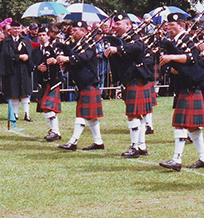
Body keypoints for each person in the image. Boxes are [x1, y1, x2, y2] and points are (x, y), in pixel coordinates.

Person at [158, 12, 204, 171]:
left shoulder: (187, 40)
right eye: (168, 25)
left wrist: (172, 58)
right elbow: (165, 63)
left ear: (182, 25)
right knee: (192, 127)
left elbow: (192, 58)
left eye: (172, 25)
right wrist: (170, 67)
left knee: (180, 124)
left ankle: (176, 159)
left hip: (190, 86)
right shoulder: (172, 41)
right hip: (182, 86)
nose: (169, 28)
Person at [105, 13, 153, 158]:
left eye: (118, 24)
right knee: (138, 114)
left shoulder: (135, 36)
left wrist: (117, 50)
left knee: (133, 114)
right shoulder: (121, 39)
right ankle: (142, 146)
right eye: (115, 24)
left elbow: (138, 47)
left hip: (136, 77)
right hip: (130, 78)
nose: (115, 26)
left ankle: (134, 146)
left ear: (128, 25)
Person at [56, 21, 105, 151]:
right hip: (82, 83)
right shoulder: (76, 44)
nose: (73, 32)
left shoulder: (89, 43)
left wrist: (67, 59)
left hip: (89, 82)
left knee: (81, 114)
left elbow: (83, 58)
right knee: (90, 116)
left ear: (84, 31)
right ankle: (98, 142)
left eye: (76, 30)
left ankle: (73, 141)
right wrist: (66, 63)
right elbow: (74, 57)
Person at [32, 26, 63, 141]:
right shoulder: (35, 51)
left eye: (44, 35)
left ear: (48, 36)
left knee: (47, 106)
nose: (41, 37)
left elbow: (62, 56)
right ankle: (55, 131)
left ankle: (55, 131)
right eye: (39, 35)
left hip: (54, 81)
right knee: (46, 108)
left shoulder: (55, 47)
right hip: (42, 82)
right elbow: (31, 64)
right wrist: (37, 67)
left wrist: (56, 60)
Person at [0, 20, 33, 122]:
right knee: (14, 92)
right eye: (14, 29)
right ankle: (15, 114)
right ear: (10, 30)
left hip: (24, 69)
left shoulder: (25, 40)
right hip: (12, 69)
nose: (16, 31)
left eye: (18, 28)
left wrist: (27, 56)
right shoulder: (6, 41)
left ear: (21, 29)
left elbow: (31, 53)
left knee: (25, 92)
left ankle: (27, 114)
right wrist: (19, 57)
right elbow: (6, 55)